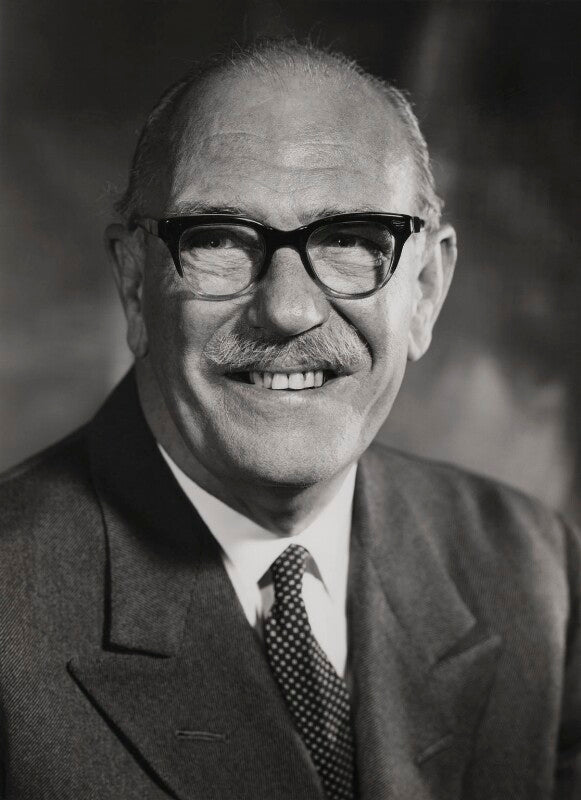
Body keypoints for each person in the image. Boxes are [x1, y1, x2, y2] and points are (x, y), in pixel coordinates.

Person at [0, 38, 579, 800]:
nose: (287, 308)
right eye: (218, 240)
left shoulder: (533, 568)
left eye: (350, 241)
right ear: (137, 286)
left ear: (425, 291)